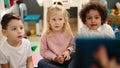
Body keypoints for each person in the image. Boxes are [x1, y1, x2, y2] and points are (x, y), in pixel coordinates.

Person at [78, 1, 119, 68]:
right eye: (89, 18)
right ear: (85, 20)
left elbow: (112, 46)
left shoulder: (107, 29)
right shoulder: (83, 29)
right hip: (89, 55)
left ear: (102, 19)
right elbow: (82, 46)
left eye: (96, 17)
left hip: (105, 55)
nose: (93, 20)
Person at [38, 2, 74, 68]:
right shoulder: (45, 35)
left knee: (77, 55)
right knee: (41, 63)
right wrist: (55, 58)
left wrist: (68, 51)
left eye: (60, 19)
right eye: (54, 19)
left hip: (67, 59)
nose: (57, 22)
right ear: (49, 20)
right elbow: (43, 51)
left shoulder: (68, 33)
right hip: (53, 61)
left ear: (64, 20)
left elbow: (72, 45)